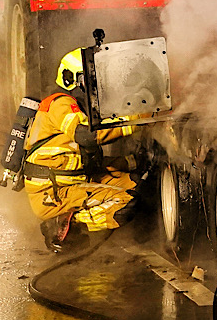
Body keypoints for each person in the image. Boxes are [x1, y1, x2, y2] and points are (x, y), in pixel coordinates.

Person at [22, 48, 138, 249]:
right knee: (125, 201)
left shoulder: (76, 105)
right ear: (70, 79)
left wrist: (129, 162)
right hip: (53, 193)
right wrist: (136, 120)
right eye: (89, 80)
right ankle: (69, 222)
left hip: (70, 181)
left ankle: (75, 216)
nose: (96, 86)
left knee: (132, 184)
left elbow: (78, 158)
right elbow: (88, 137)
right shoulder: (61, 104)